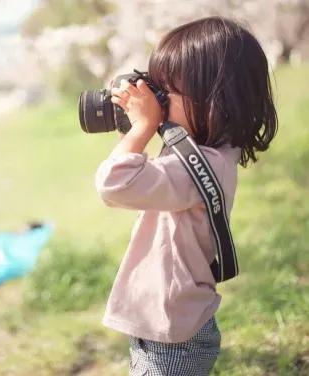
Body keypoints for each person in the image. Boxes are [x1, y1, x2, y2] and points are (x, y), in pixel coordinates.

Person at [95, 17, 277, 375]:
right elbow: (134, 179)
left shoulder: (196, 167)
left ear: (214, 98)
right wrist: (138, 126)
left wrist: (144, 126)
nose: (159, 103)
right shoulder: (213, 154)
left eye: (167, 93)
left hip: (172, 338)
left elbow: (114, 184)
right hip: (170, 324)